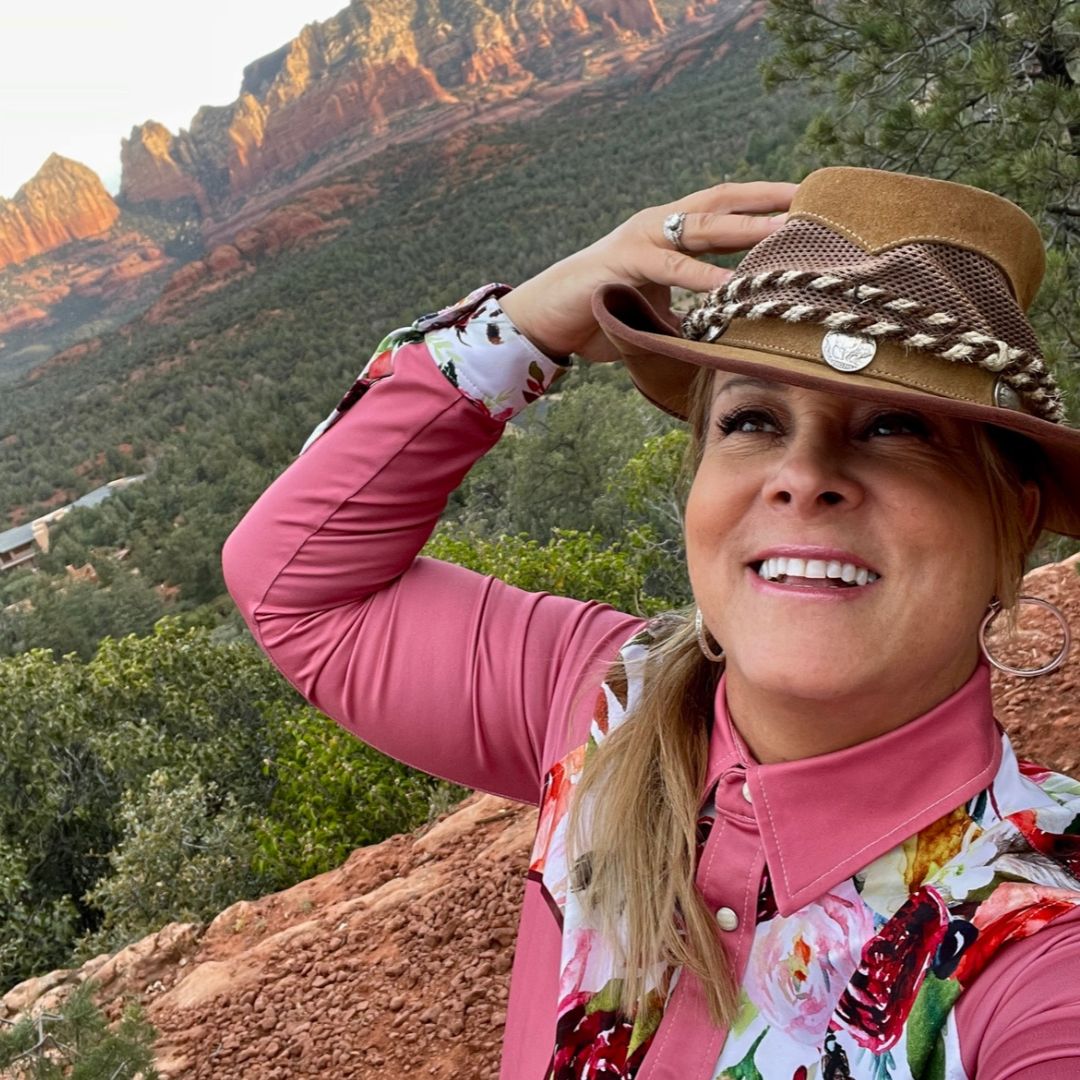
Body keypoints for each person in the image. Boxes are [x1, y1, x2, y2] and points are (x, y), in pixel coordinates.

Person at [222, 167, 1080, 1079]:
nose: (801, 474)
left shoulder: (1032, 949)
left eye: (896, 430)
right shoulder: (602, 694)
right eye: (752, 420)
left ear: (1013, 523)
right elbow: (291, 581)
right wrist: (528, 326)